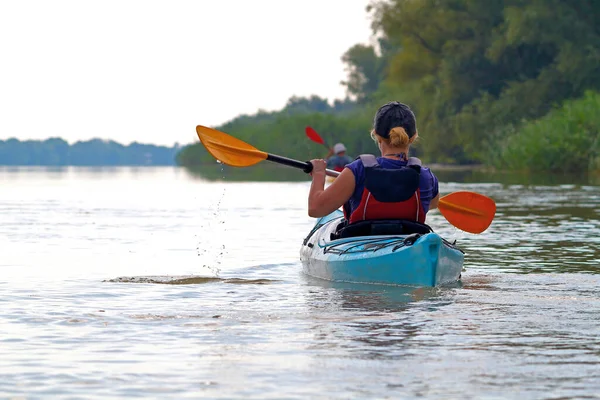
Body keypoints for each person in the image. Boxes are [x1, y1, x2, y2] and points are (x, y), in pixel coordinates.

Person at [307, 101, 439, 225]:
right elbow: (432, 204)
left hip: (360, 243)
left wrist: (318, 174)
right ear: (414, 136)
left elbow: (315, 209)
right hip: (412, 244)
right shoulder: (427, 176)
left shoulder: (357, 170)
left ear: (376, 135)